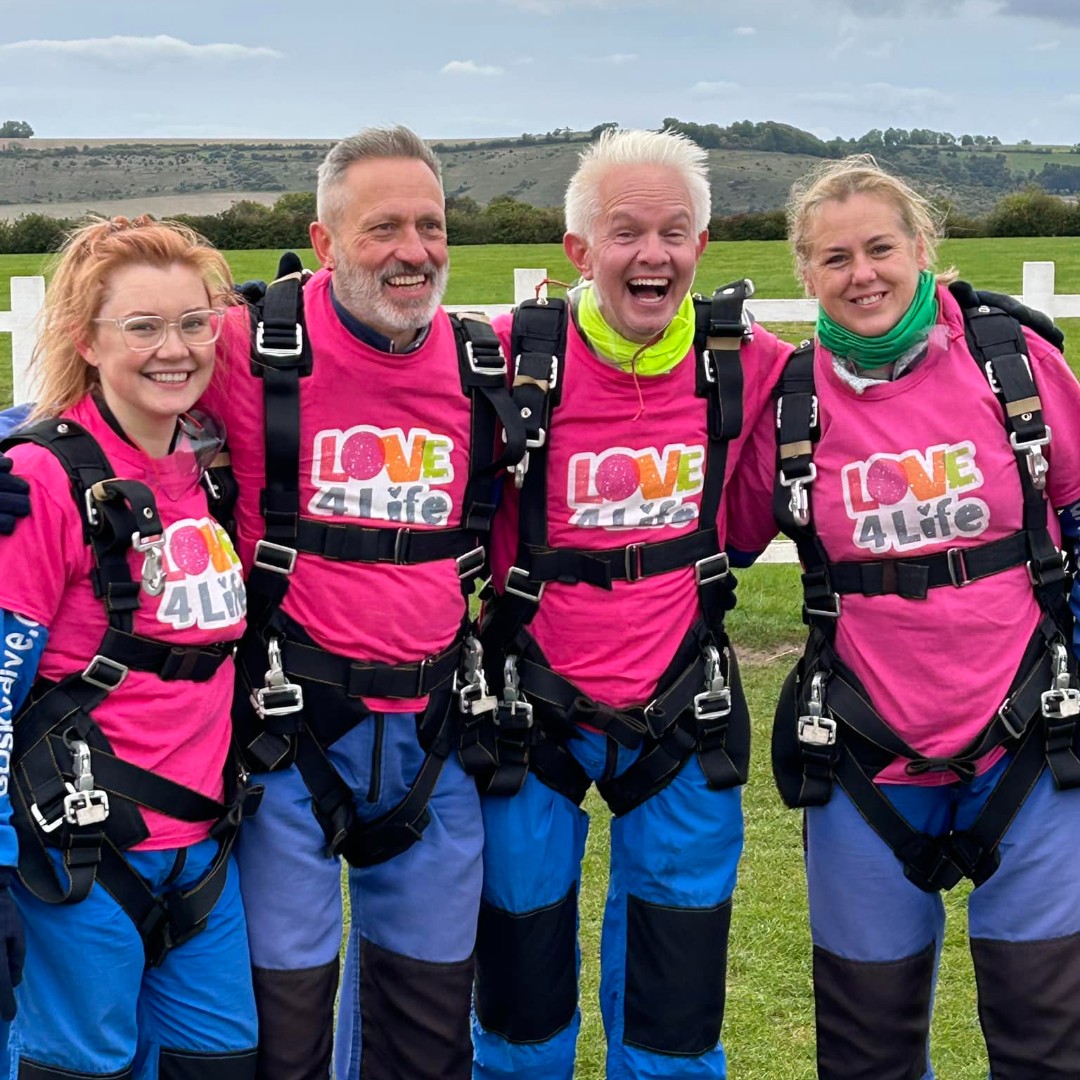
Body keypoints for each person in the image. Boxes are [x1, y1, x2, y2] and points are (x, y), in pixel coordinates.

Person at [728, 154, 1080, 1079]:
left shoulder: (1014, 364)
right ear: (805, 274)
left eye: (881, 247)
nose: (863, 274)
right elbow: (708, 539)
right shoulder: (792, 403)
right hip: (864, 756)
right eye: (835, 257)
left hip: (1031, 748)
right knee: (865, 1051)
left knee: (1048, 1040)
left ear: (924, 248)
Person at [469, 128, 792, 1080]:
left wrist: (952, 321)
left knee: (676, 1009)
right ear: (579, 252)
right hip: (531, 709)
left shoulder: (750, 363)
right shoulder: (507, 358)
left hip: (682, 707)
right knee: (519, 999)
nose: (652, 255)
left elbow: (882, 382)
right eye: (625, 233)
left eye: (674, 232)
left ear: (701, 245)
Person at [208, 125, 517, 1080]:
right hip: (288, 740)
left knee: (428, 1033)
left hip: (434, 739)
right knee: (283, 1031)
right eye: (383, 227)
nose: (414, 251)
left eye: (431, 226)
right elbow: (113, 387)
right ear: (327, 238)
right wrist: (34, 456)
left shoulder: (487, 365)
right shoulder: (245, 348)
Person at [0, 216, 257, 1079]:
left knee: (217, 1063)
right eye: (142, 327)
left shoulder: (210, 467)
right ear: (87, 339)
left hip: (204, 853)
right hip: (76, 861)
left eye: (193, 322)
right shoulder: (40, 479)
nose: (174, 349)